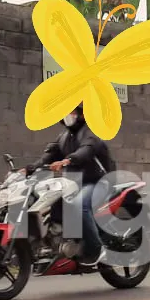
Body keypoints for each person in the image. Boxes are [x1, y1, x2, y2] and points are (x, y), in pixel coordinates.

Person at [41, 105, 112, 266]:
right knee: (51, 202)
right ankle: (63, 242)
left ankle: (96, 249)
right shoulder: (64, 137)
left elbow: (86, 151)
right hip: (74, 185)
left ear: (81, 114)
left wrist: (67, 160)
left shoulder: (91, 132)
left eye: (71, 112)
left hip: (97, 182)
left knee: (80, 205)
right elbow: (49, 155)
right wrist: (29, 168)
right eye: (65, 112)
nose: (68, 115)